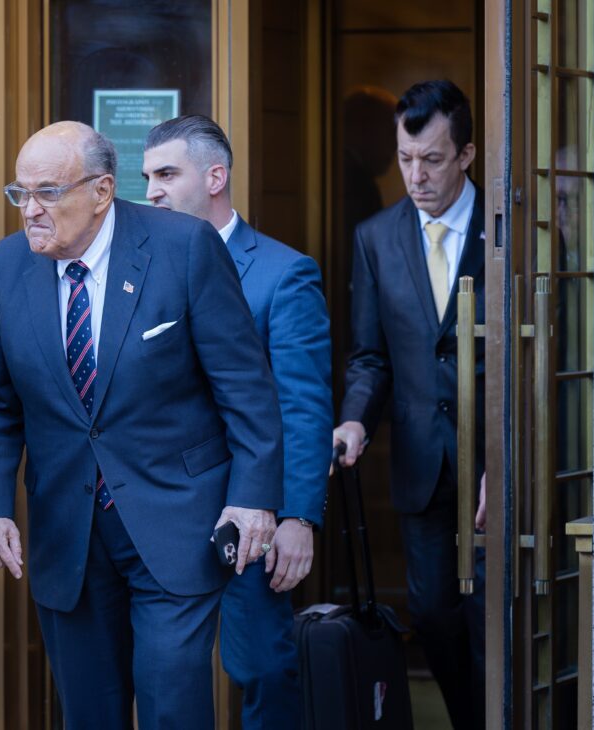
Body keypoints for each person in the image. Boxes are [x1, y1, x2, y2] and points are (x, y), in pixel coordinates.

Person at [0, 121, 284, 729]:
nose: (29, 211)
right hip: (66, 532)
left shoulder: (184, 246)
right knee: (90, 713)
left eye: (47, 193)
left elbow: (246, 386)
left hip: (177, 520)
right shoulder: (7, 266)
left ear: (103, 190)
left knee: (172, 706)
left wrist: (253, 499)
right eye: (19, 194)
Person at [141, 114, 332, 729]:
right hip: (161, 510)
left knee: (262, 668)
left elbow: (301, 406)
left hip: (249, 513)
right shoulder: (140, 268)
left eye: (167, 174)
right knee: (166, 673)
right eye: (147, 176)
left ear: (215, 176)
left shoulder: (284, 273)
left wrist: (299, 516)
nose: (152, 191)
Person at [333, 79, 486, 730]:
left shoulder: (507, 222)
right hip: (423, 461)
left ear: (467, 155)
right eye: (405, 159)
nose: (415, 176)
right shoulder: (375, 237)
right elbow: (372, 355)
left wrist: (503, 461)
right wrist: (354, 418)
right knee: (430, 614)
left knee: (495, 614)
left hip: (495, 460)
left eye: (432, 159)